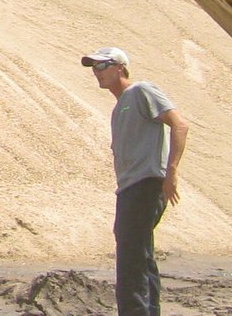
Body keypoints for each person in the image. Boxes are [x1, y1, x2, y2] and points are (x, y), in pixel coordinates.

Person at [82, 45, 189, 316]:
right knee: (141, 255)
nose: (97, 72)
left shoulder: (141, 91)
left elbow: (180, 124)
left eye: (103, 65)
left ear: (120, 67)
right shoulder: (119, 108)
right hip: (129, 189)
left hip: (146, 184)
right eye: (94, 67)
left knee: (130, 259)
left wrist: (171, 171)